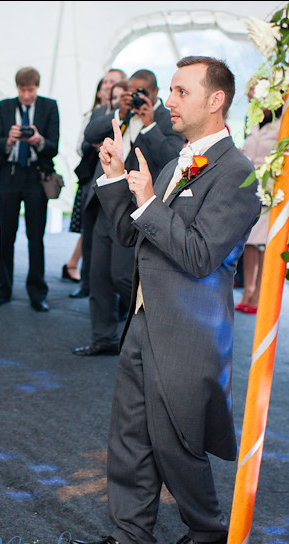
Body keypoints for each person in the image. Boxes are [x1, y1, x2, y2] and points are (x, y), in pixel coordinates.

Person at [69, 56, 260, 544]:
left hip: (188, 329)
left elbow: (199, 256)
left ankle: (207, 526)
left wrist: (150, 200)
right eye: (171, 91)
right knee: (128, 433)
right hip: (143, 319)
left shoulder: (239, 174)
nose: (168, 101)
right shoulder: (178, 162)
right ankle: (133, 537)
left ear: (215, 100)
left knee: (176, 441)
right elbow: (136, 235)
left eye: (180, 91)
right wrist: (115, 182)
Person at [72, 69, 182, 356]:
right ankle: (103, 338)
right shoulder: (118, 115)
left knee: (122, 274)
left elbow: (171, 158)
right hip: (106, 202)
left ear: (156, 92)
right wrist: (119, 115)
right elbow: (90, 134)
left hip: (137, 207)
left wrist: (148, 126)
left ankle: (152, 327)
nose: (135, 97)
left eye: (141, 91)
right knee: (98, 275)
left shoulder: (165, 118)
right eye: (130, 91)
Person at [0, 66, 60, 312]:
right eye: (22, 90)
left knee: (35, 236)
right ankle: (3, 289)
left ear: (38, 87)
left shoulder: (49, 106)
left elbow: (54, 147)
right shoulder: (4, 106)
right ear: (16, 88)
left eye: (31, 90)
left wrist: (38, 139)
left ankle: (37, 292)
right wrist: (8, 140)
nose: (26, 95)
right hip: (9, 175)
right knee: (6, 235)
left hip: (36, 177)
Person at [66, 70, 127, 296]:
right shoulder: (100, 112)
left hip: (118, 181)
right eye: (107, 83)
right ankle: (87, 284)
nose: (110, 88)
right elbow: (86, 142)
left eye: (115, 83)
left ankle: (110, 289)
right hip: (94, 179)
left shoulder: (132, 115)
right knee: (89, 234)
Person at [237, 86, 282, 314]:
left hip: (271, 188)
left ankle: (259, 294)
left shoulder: (282, 123)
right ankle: (248, 289)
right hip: (250, 185)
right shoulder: (251, 119)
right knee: (250, 242)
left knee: (263, 242)